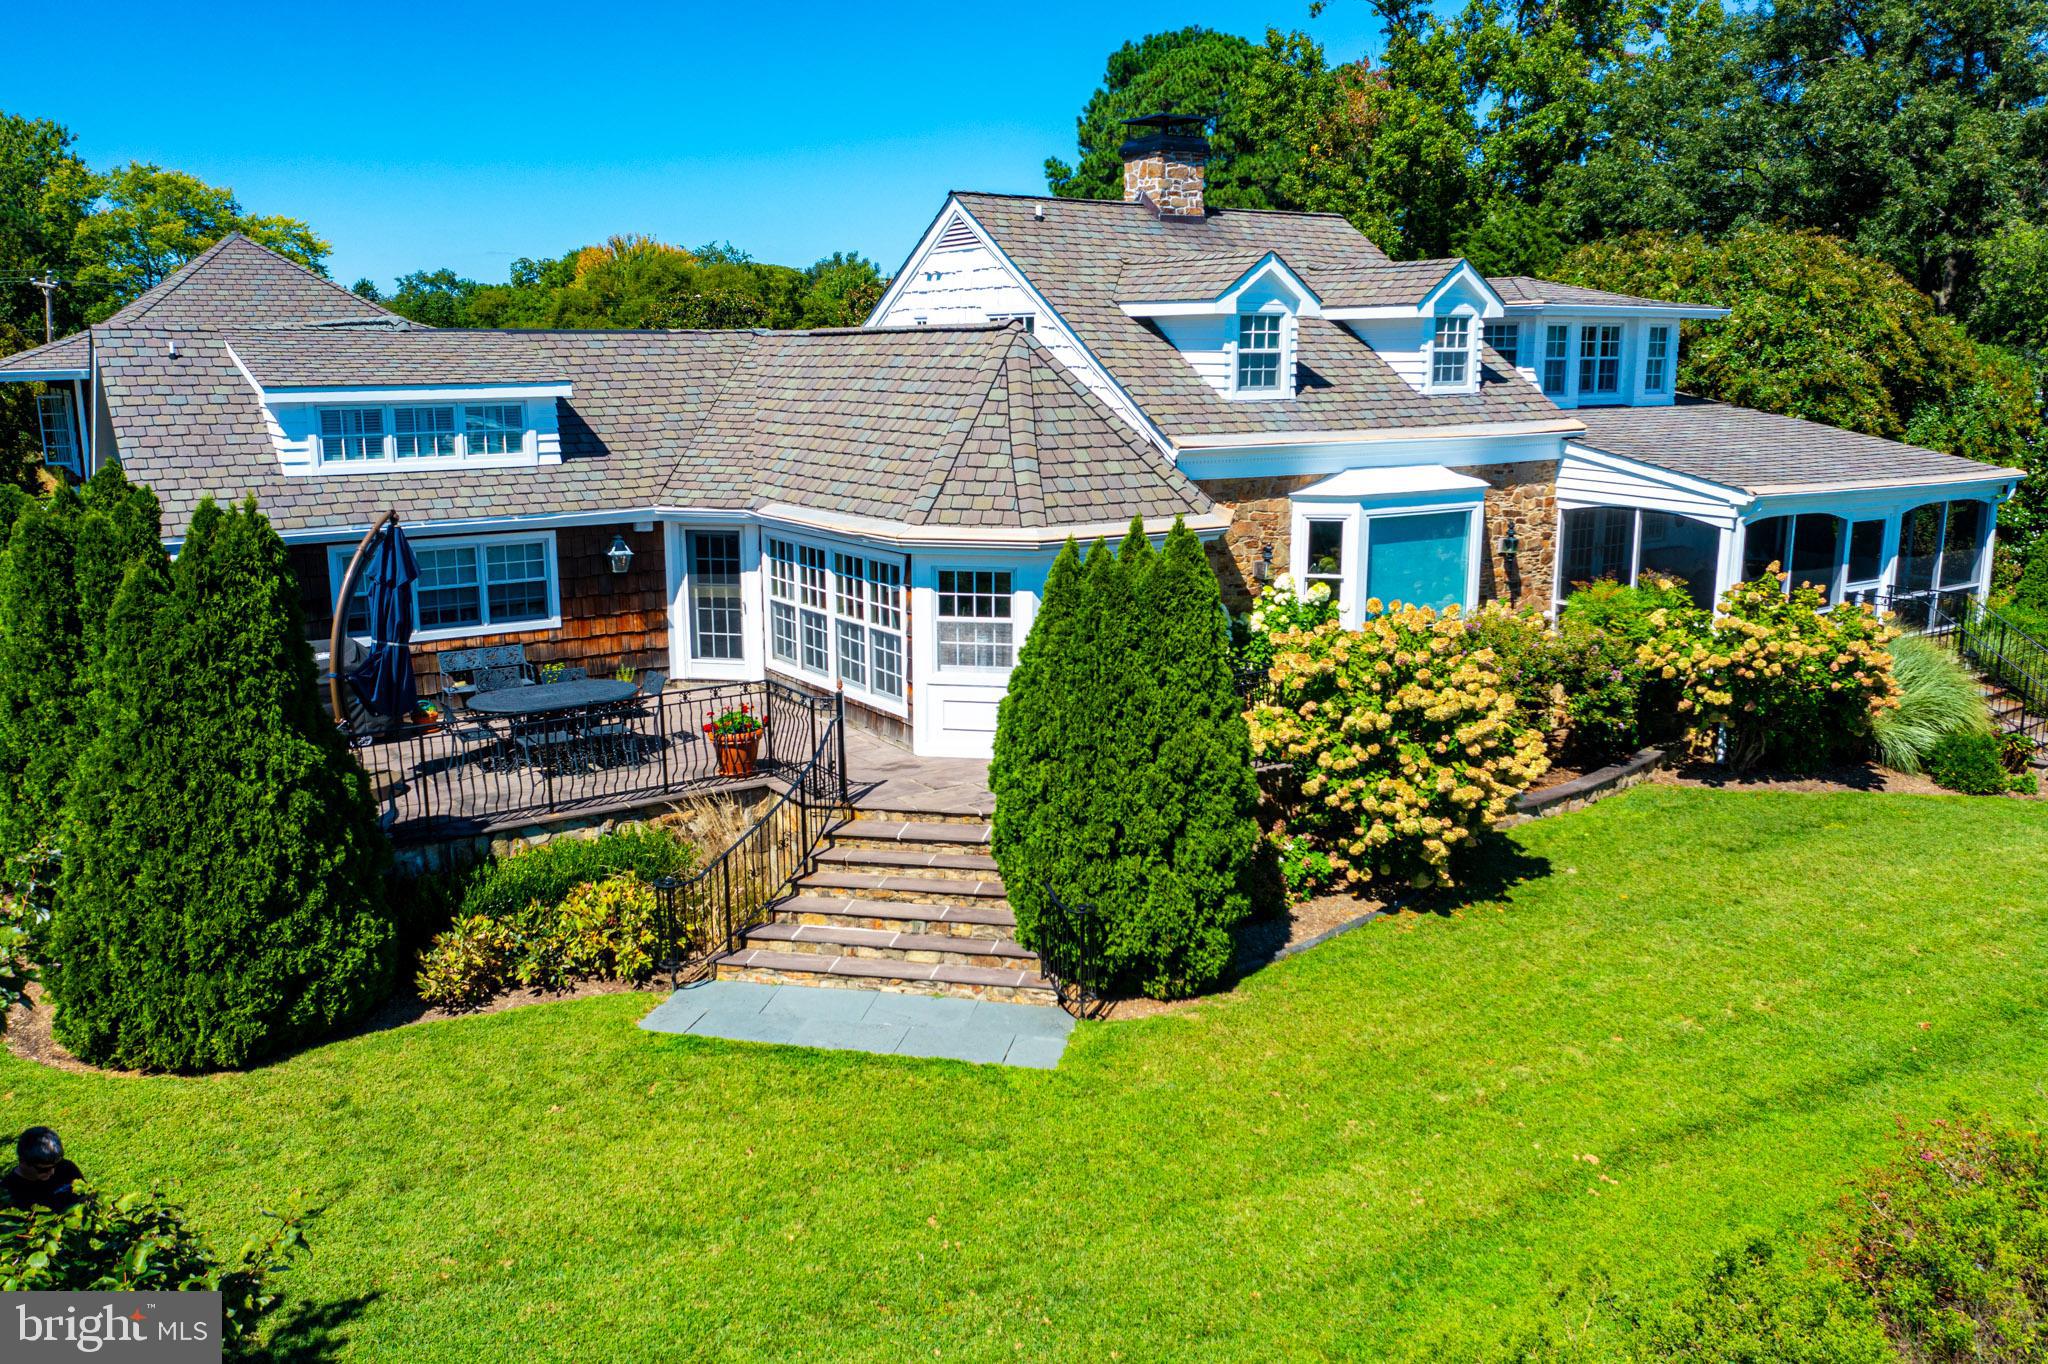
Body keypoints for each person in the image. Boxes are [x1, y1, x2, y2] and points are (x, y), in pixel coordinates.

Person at [3, 1127, 83, 1212]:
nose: (52, 1172)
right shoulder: (9, 1190)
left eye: (55, 1165)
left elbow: (85, 1196)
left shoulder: (66, 1168)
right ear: (23, 1162)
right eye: (44, 1169)